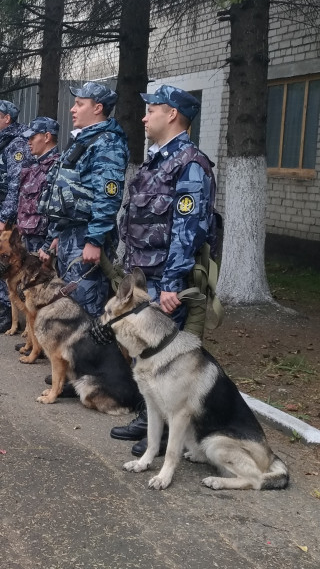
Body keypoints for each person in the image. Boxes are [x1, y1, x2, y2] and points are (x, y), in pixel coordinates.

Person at [109, 85, 216, 457]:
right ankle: (148, 417)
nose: (144, 116)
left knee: (168, 359)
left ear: (172, 114)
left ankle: (171, 435)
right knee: (146, 353)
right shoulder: (158, 161)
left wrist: (171, 283)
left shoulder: (189, 163)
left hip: (164, 281)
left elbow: (188, 229)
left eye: (151, 109)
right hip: (143, 274)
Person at [38, 82, 129, 318]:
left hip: (87, 237)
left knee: (85, 309)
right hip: (71, 234)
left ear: (98, 108)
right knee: (69, 303)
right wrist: (57, 234)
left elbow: (108, 196)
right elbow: (66, 192)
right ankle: (71, 355)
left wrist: (95, 240)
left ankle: (88, 354)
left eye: (79, 104)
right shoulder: (81, 140)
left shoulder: (107, 143)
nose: (72, 109)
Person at [0, 99, 30, 334]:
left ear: (7, 119)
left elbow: (15, 184)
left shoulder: (16, 144)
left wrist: (4, 218)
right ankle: (3, 311)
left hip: (6, 216)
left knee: (6, 265)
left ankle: (12, 316)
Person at [18, 117, 60, 253]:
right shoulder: (35, 166)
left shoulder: (57, 166)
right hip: (29, 235)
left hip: (45, 242)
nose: (28, 142)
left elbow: (59, 209)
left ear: (47, 137)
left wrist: (49, 244)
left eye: (32, 137)